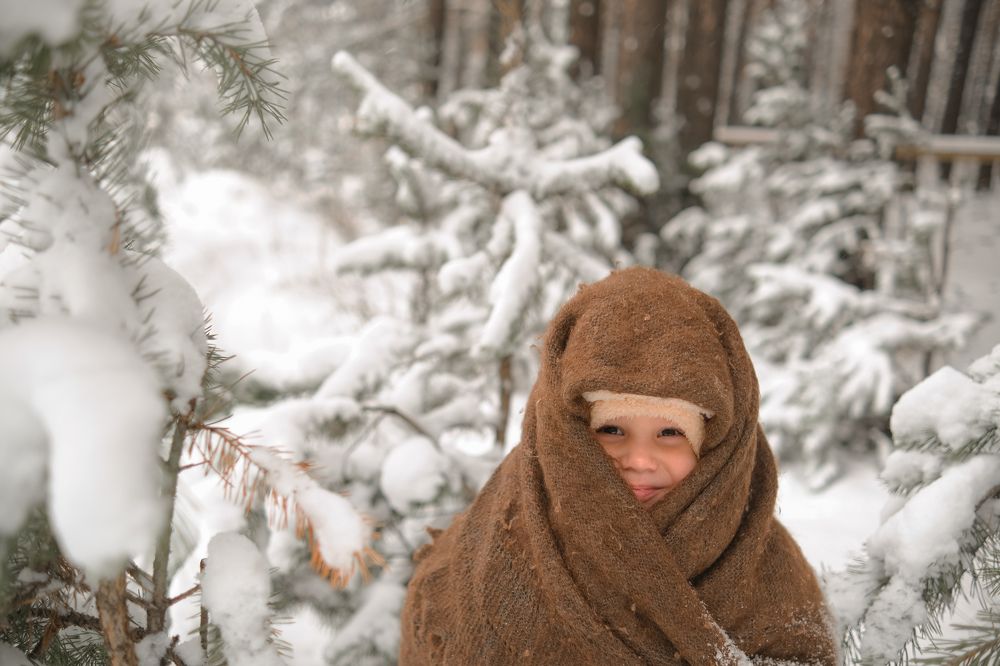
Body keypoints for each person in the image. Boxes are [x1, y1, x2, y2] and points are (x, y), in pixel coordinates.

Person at [399, 267, 838, 665]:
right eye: (611, 430)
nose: (640, 460)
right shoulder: (494, 554)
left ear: (716, 450)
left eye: (670, 433)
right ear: (564, 437)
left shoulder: (766, 570)